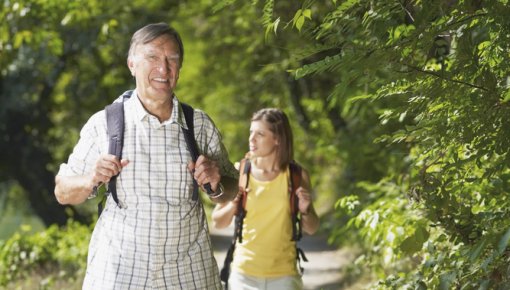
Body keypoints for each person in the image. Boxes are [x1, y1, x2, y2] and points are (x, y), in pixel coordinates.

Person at [54, 22, 238, 289]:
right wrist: (91, 179)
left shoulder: (199, 124)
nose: (163, 69)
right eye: (152, 57)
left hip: (188, 275)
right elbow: (62, 192)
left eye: (172, 60)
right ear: (132, 64)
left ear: (179, 68)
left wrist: (217, 183)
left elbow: (232, 190)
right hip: (119, 273)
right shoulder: (104, 124)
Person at [212, 108, 320, 290]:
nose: (251, 139)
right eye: (251, 132)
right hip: (243, 275)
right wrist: (233, 203)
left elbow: (312, 228)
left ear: (277, 139)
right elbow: (218, 223)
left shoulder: (297, 176)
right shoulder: (240, 171)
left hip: (284, 276)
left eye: (260, 134)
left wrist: (306, 210)